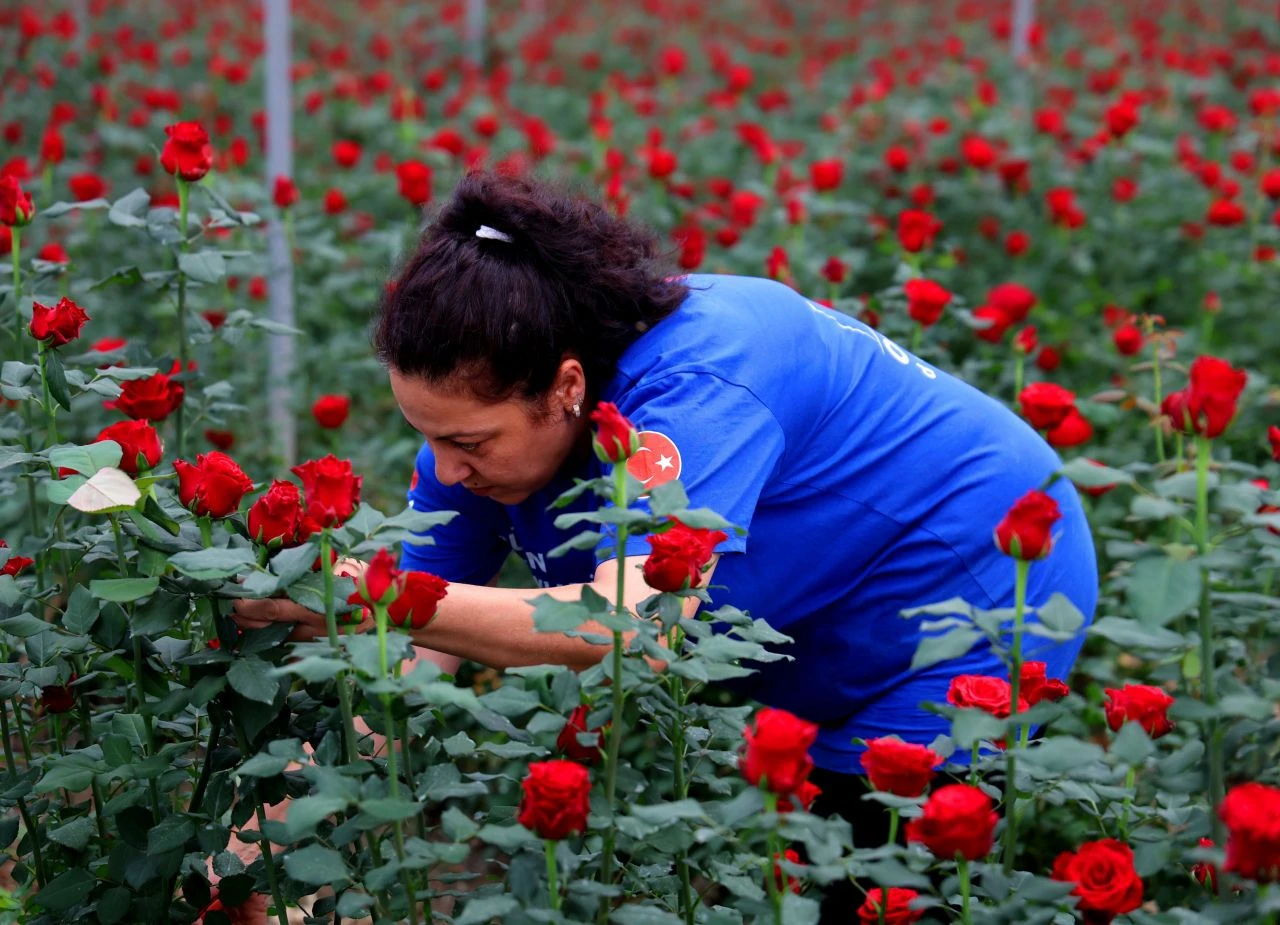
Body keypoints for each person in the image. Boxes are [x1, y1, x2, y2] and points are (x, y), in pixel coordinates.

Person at [233, 170, 1098, 906]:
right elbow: (406, 662)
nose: (446, 470)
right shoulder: (476, 440)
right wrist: (254, 857)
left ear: (567, 387)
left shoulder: (700, 385)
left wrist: (378, 595)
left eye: (468, 441)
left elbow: (635, 626)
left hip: (977, 576)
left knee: (877, 884)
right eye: (427, 435)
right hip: (821, 605)